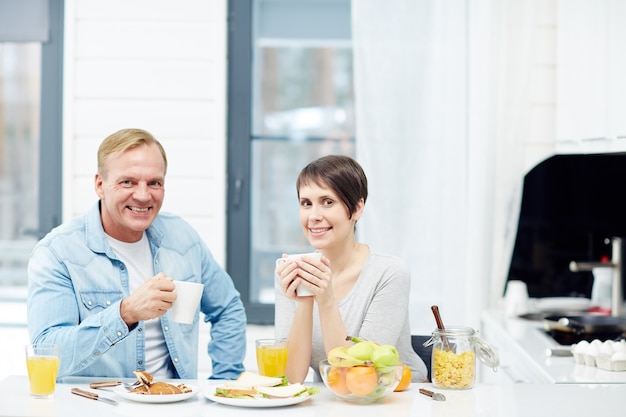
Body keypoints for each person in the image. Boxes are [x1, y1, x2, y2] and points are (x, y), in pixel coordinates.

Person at [27, 128, 246, 380]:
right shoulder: (57, 252)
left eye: (154, 183)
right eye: (127, 182)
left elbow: (227, 308)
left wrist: (224, 381)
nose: (143, 196)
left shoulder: (182, 238)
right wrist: (125, 313)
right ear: (100, 185)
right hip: (98, 407)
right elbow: (47, 353)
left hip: (175, 403)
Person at [274, 155, 427, 383]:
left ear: (357, 208)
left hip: (400, 398)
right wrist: (305, 298)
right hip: (335, 402)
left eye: (327, 202)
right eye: (306, 203)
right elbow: (289, 379)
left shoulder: (389, 273)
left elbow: (356, 379)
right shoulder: (291, 273)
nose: (314, 216)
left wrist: (326, 300)